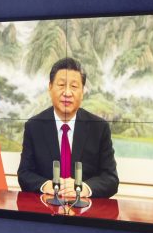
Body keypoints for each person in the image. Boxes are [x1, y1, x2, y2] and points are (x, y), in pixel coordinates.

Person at [17, 57, 119, 199]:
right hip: (46, 207)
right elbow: (24, 174)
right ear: (50, 87)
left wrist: (84, 188)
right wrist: (46, 185)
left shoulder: (99, 128)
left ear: (82, 91)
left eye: (74, 86)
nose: (67, 93)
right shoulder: (34, 126)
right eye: (61, 85)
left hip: (85, 208)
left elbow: (111, 179)